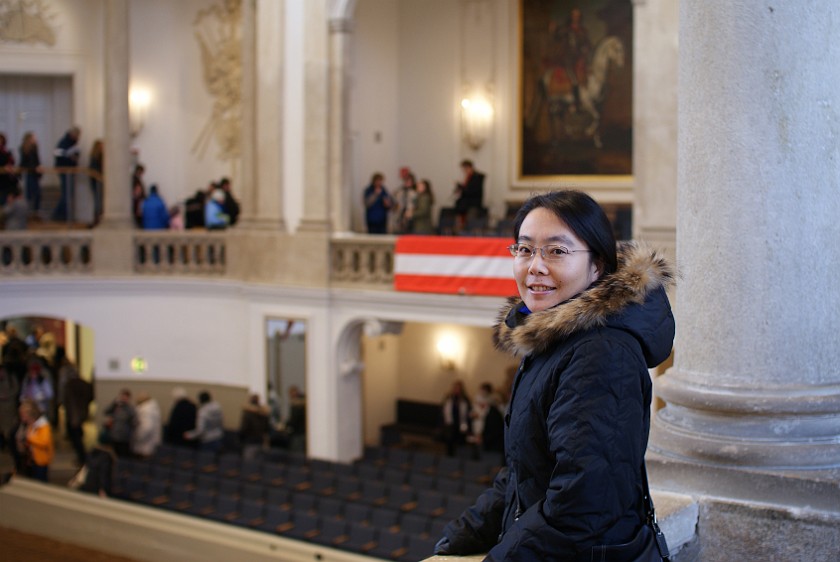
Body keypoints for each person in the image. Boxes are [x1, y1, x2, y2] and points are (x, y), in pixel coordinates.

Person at [434, 190, 676, 560]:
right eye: (525, 249)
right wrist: (456, 540)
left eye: (556, 251)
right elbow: (523, 473)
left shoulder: (601, 354)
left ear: (597, 266)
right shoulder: (554, 340)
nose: (535, 266)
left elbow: (583, 502)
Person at [16, 399, 54, 482]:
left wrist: (29, 438)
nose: (21, 417)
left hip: (41, 460)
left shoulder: (42, 425)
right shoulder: (30, 425)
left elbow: (44, 441)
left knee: (41, 481)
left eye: (23, 415)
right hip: (33, 459)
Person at [62, 363, 93, 467]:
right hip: (81, 413)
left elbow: (68, 402)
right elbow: (91, 396)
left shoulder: (70, 385)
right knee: (78, 436)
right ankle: (83, 458)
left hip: (74, 416)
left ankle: (82, 458)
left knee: (76, 438)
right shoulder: (84, 384)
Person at [52, 126, 82, 222]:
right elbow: (57, 153)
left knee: (68, 194)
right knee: (66, 194)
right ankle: (58, 215)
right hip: (64, 170)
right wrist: (68, 156)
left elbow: (76, 154)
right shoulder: (64, 142)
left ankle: (65, 216)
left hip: (70, 170)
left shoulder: (74, 143)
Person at [441, 380, 471, 457]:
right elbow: (443, 412)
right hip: (450, 424)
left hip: (461, 423)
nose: (456, 390)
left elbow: (467, 413)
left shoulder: (465, 399)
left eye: (458, 388)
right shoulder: (448, 398)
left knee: (460, 443)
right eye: (455, 388)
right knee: (449, 441)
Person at [103, 388, 136, 458]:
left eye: (125, 397)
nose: (123, 399)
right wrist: (114, 403)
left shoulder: (130, 409)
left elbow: (134, 422)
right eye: (122, 396)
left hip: (124, 438)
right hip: (114, 436)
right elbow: (106, 412)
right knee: (113, 455)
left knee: (123, 456)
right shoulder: (116, 406)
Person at [19, 360, 53, 425]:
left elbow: (50, 394)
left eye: (34, 372)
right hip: (29, 410)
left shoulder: (43, 381)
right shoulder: (27, 381)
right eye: (31, 372)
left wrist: (41, 396)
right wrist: (24, 398)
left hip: (41, 409)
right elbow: (23, 393)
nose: (33, 373)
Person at [453, 159, 485, 227]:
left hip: (472, 205)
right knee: (461, 223)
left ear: (469, 167)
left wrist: (462, 188)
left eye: (465, 169)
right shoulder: (468, 178)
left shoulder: (477, 177)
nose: (464, 171)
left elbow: (473, 190)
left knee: (470, 224)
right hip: (464, 206)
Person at [238, 393, 269, 460]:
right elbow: (267, 429)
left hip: (250, 442)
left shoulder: (248, 414)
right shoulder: (263, 413)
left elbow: (244, 428)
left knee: (249, 464)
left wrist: (240, 439)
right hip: (260, 441)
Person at [131, 391, 162, 459]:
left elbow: (147, 427)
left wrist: (138, 437)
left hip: (144, 446)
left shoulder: (146, 409)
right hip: (149, 444)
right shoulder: (152, 408)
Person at [18, 131, 42, 213]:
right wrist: (34, 168)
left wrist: (38, 167)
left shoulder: (35, 147)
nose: (35, 139)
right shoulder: (24, 148)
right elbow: (24, 162)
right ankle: (27, 211)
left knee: (37, 193)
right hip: (29, 173)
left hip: (35, 173)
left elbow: (37, 160)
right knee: (29, 193)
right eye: (33, 137)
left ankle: (35, 211)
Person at [88, 139, 104, 225]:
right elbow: (93, 170)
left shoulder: (102, 156)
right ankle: (96, 219)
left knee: (101, 201)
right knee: (98, 200)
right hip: (97, 182)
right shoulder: (94, 157)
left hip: (100, 182)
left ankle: (99, 218)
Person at [0, 132, 16, 207]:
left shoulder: (6, 152)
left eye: (1, 141)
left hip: (5, 181)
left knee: (4, 202)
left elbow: (11, 162)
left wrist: (9, 166)